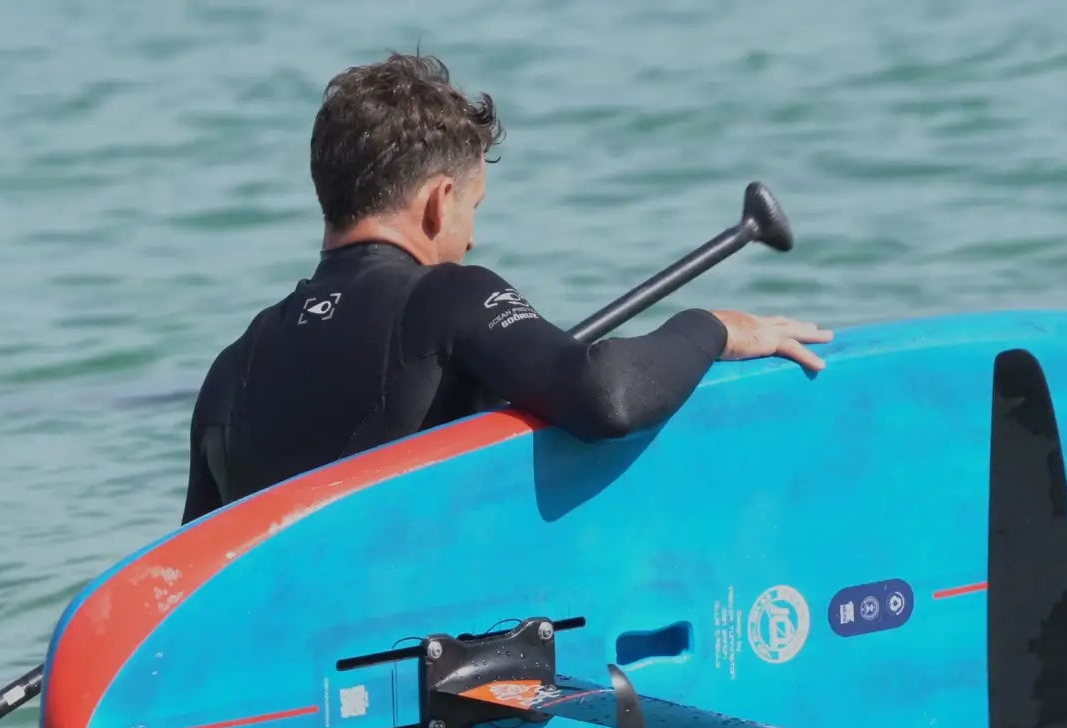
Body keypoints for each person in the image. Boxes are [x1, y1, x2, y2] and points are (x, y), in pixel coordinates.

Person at [181, 52, 831, 524]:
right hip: (417, 655)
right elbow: (607, 397)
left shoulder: (233, 366)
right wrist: (712, 328)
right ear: (439, 202)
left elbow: (185, 576)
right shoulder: (444, 298)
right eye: (473, 210)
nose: (469, 241)